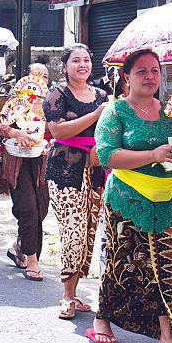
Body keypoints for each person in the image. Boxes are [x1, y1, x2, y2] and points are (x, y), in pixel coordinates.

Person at [89, 48, 172, 343]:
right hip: (127, 198)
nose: (149, 76)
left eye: (155, 70)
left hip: (167, 200)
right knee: (124, 260)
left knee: (167, 264)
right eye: (141, 71)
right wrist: (152, 156)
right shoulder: (116, 111)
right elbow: (106, 155)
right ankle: (103, 318)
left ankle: (167, 334)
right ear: (126, 77)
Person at [44, 44, 108, 318]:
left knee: (90, 232)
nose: (82, 65)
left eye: (86, 60)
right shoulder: (57, 93)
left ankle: (76, 290)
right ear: (65, 66)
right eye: (76, 61)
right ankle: (67, 296)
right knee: (72, 231)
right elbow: (57, 129)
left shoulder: (103, 95)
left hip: (95, 168)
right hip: (65, 167)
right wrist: (94, 116)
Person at [0, 71, 50, 282]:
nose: (40, 80)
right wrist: (17, 134)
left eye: (44, 76)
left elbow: (56, 129)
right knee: (27, 208)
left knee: (41, 209)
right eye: (36, 75)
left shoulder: (51, 103)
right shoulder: (15, 103)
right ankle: (33, 260)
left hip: (42, 163)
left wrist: (49, 144)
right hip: (18, 161)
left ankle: (20, 247)